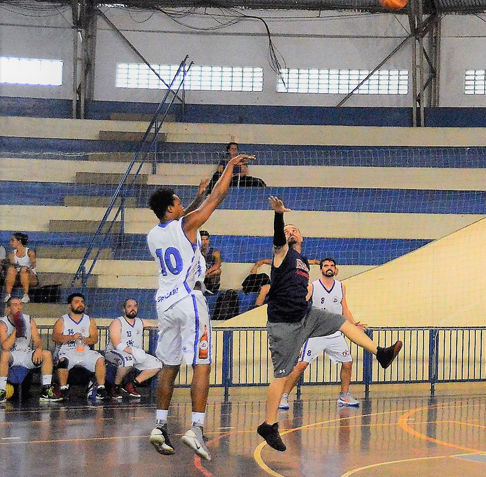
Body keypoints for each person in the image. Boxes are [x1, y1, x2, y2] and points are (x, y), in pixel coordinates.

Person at [256, 196, 402, 452]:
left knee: (343, 323)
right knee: (282, 375)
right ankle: (269, 425)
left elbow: (301, 288)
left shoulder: (303, 262)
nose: (290, 232)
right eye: (287, 230)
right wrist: (279, 215)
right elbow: (279, 238)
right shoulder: (282, 253)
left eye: (294, 230)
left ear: (302, 238)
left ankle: (381, 353)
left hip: (306, 315)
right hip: (284, 324)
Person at [146, 158, 246, 460]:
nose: (182, 206)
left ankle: (160, 425)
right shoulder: (185, 227)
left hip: (164, 305)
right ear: (171, 208)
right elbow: (217, 198)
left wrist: (196, 197)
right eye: (178, 203)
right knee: (202, 364)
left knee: (169, 366)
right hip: (190, 301)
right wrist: (228, 168)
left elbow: (183, 217)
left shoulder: (153, 234)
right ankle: (196, 428)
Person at [279, 257, 365, 410]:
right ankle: (284, 396)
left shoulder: (341, 286)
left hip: (335, 332)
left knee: (348, 363)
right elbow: (300, 305)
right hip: (316, 332)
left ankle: (344, 395)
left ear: (336, 269)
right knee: (301, 365)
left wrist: (353, 325)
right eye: (326, 265)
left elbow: (344, 308)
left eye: (332, 265)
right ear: (321, 269)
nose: (329, 267)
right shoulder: (313, 287)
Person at [51, 293, 109, 400]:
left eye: (82, 302)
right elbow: (55, 337)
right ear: (69, 306)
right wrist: (72, 337)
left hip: (84, 351)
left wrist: (87, 340)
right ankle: (63, 389)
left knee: (100, 359)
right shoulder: (62, 320)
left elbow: (95, 339)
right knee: (63, 360)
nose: (80, 304)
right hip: (68, 350)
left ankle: (101, 388)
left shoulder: (89, 320)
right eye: (77, 302)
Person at [0, 296, 57, 403]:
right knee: (4, 354)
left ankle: (46, 390)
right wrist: (17, 329)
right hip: (12, 355)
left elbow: (37, 340)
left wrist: (39, 349)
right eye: (15, 305)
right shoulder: (3, 324)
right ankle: (1, 391)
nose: (19, 307)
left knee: (47, 354)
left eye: (20, 304)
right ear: (8, 309)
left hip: (26, 354)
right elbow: (5, 346)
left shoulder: (29, 320)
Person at [104, 298, 163, 399]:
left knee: (157, 364)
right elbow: (116, 344)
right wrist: (133, 351)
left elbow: (158, 326)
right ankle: (116, 387)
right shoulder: (117, 322)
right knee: (127, 360)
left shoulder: (140, 321)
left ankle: (132, 384)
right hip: (115, 352)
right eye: (129, 306)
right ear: (124, 309)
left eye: (135, 306)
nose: (133, 309)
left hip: (134, 353)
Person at [4, 232, 38, 303]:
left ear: (19, 241)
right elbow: (13, 263)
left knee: (24, 270)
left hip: (30, 277)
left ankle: (26, 295)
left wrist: (29, 268)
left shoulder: (29, 251)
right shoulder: (12, 254)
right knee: (11, 269)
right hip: (17, 278)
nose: (10, 242)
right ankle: (8, 295)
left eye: (12, 240)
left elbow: (33, 262)